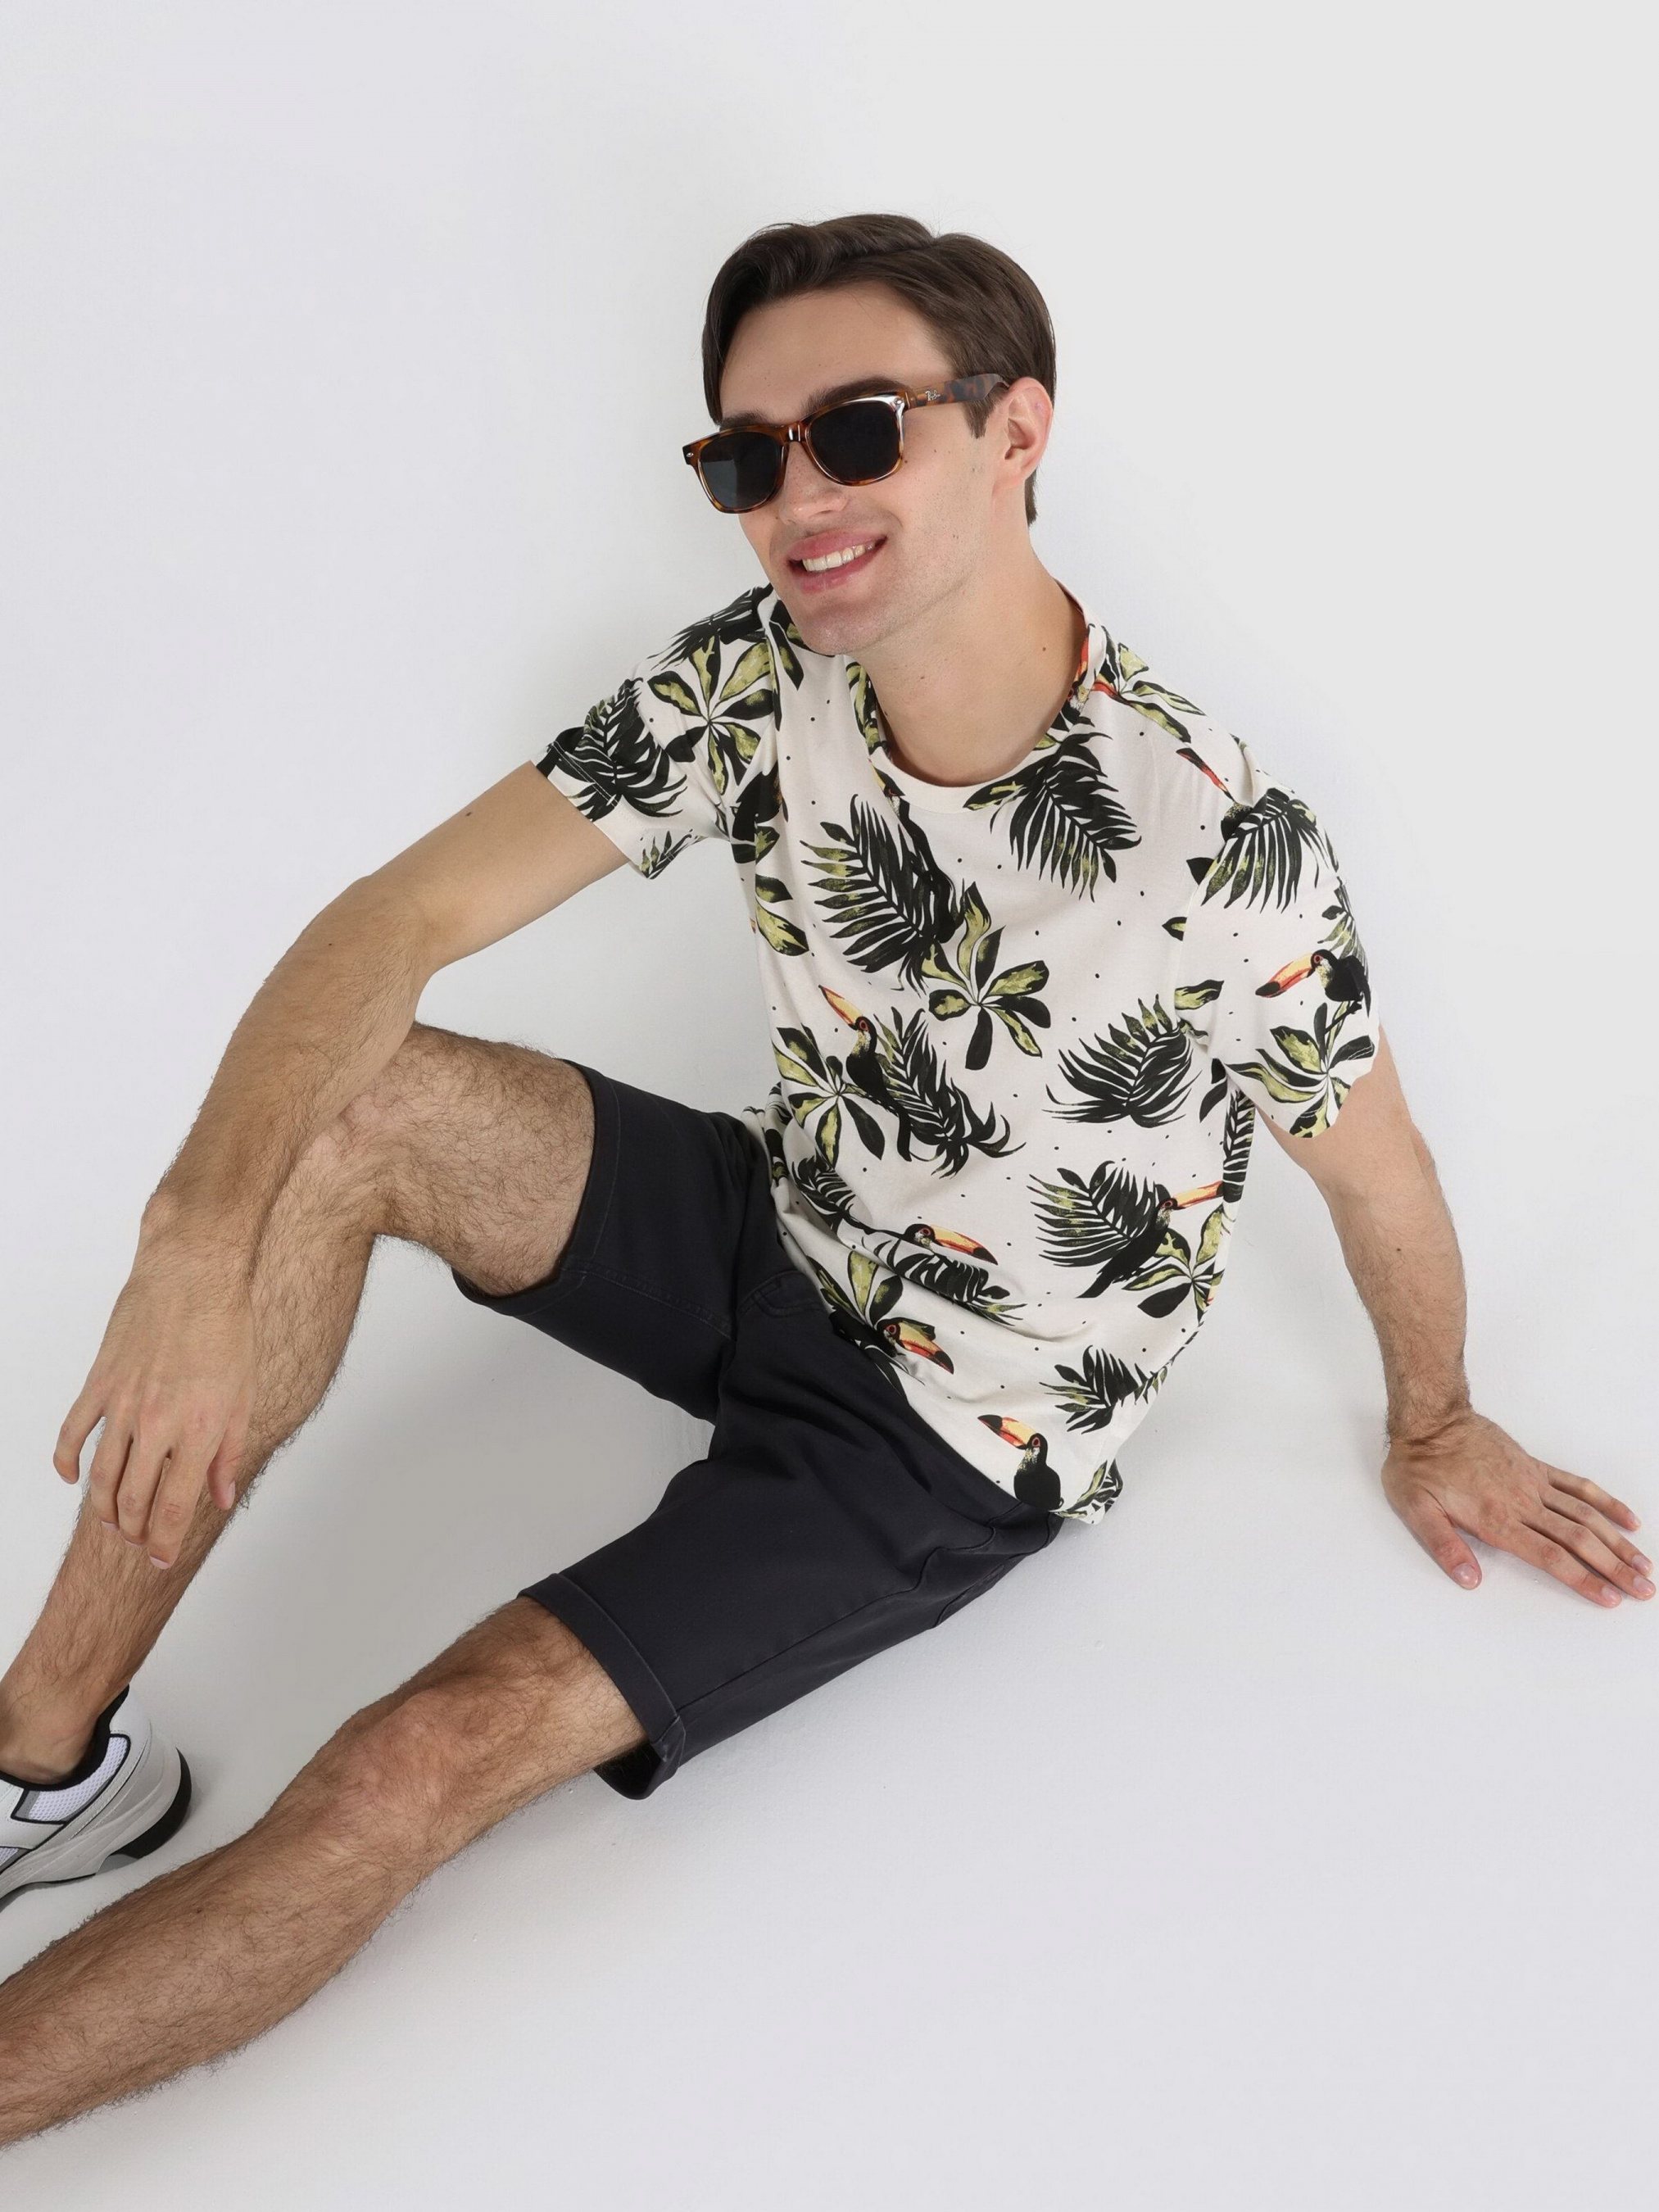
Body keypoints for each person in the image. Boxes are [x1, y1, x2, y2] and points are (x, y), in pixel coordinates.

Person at [0, 211, 1647, 2147]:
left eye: (856, 431)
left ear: (1015, 429)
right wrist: (194, 1242)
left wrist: (1433, 1418)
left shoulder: (1210, 848)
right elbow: (394, 919)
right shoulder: (757, 677)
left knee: (406, 1765)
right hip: (778, 1226)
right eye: (745, 457)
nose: (795, 500)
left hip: (945, 1431)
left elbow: (1376, 1177)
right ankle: (45, 1766)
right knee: (356, 1107)